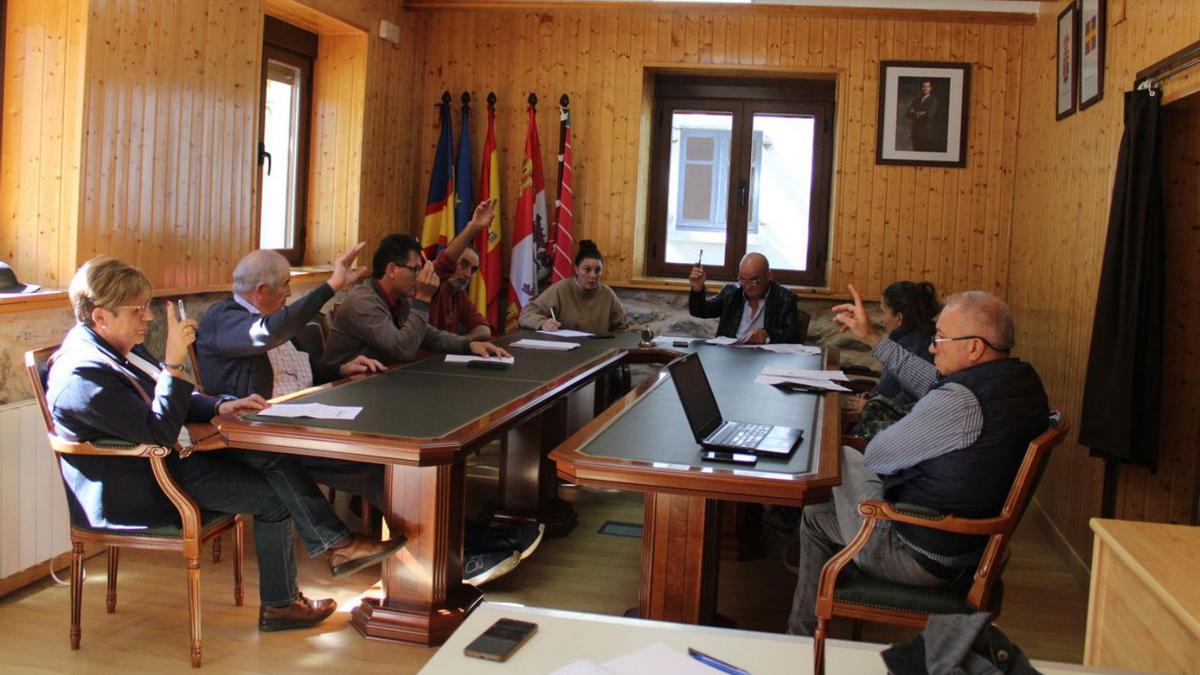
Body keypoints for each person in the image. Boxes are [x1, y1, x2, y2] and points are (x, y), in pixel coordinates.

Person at [47, 257, 405, 632]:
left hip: (170, 462)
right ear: (101, 316)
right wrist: (173, 365)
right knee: (274, 494)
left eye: (147, 307)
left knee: (269, 455)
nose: (148, 318)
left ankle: (328, 555)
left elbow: (168, 403)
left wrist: (220, 404)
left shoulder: (116, 347)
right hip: (141, 487)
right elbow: (159, 430)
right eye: (137, 310)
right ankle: (295, 590)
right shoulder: (82, 375)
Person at [787, 285, 1049, 636]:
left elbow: (878, 455)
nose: (930, 346)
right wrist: (873, 338)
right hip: (967, 547)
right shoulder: (1018, 381)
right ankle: (800, 636)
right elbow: (932, 383)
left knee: (842, 451)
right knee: (816, 517)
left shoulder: (962, 401)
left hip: (919, 554)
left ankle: (802, 637)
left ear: (973, 347)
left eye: (939, 338)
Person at [196, 243, 388, 508]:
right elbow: (269, 332)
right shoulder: (226, 319)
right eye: (286, 284)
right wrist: (330, 286)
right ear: (262, 290)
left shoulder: (269, 318)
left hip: (305, 416)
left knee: (380, 445)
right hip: (265, 432)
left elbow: (299, 364)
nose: (289, 293)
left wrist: (340, 369)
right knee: (371, 461)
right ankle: (411, 534)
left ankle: (399, 522)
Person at [323, 234, 509, 366]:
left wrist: (468, 345)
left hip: (380, 383)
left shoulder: (398, 298)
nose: (420, 276)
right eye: (415, 270)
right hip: (345, 388)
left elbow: (427, 335)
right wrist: (423, 299)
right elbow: (403, 350)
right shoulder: (362, 302)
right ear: (392, 270)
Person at [843, 281, 941, 440]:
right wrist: (872, 398)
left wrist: (869, 407)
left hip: (883, 435)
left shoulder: (918, 347)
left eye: (884, 312)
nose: (882, 320)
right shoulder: (906, 340)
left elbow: (910, 401)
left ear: (899, 318)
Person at [688, 252, 806, 344]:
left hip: (765, 358)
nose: (748, 286)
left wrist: (767, 335)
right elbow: (700, 311)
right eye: (742, 280)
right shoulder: (732, 292)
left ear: (768, 275)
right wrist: (697, 288)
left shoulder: (784, 298)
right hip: (730, 355)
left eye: (754, 280)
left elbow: (792, 336)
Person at [518, 240, 628, 333]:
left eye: (597, 270)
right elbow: (526, 315)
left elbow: (621, 329)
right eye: (587, 270)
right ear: (576, 269)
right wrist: (543, 323)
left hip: (598, 351)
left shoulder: (607, 295)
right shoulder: (560, 290)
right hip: (565, 352)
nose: (593, 275)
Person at [426, 198, 496, 340]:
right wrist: (473, 227)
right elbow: (445, 261)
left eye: (473, 269)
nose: (467, 274)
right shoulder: (430, 282)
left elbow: (483, 329)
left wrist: (460, 344)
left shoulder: (458, 294)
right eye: (463, 264)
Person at [906, 80, 939, 152]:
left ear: (931, 88)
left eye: (927, 86)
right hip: (916, 133)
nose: (925, 88)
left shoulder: (933, 101)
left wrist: (915, 112)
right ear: (921, 88)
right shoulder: (916, 100)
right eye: (923, 86)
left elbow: (928, 115)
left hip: (926, 134)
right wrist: (920, 113)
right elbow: (908, 114)